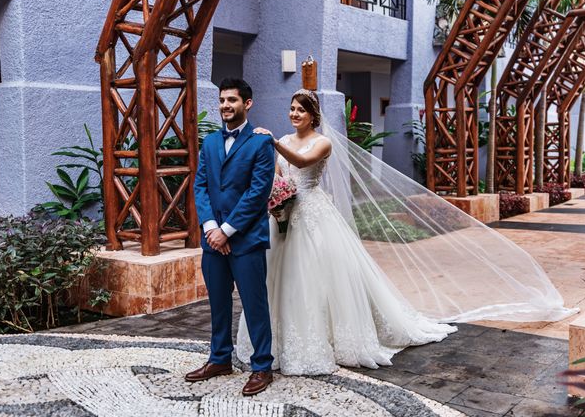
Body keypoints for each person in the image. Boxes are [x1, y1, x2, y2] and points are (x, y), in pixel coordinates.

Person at [236, 89, 457, 375]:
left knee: (314, 277)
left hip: (313, 215)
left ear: (313, 115)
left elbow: (303, 163)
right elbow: (280, 177)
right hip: (284, 215)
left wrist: (273, 142)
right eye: (291, 108)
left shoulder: (322, 143)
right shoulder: (287, 139)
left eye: (300, 110)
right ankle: (273, 342)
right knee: (277, 278)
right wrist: (275, 197)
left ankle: (328, 339)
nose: (294, 114)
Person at [188, 77, 276, 396]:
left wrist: (227, 231)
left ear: (247, 104)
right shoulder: (210, 142)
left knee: (254, 304)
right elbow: (201, 185)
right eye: (223, 100)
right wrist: (211, 227)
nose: (226, 105)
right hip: (213, 240)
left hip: (246, 239)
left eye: (232, 100)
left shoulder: (261, 142)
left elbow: (257, 193)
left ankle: (262, 366)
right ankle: (219, 358)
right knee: (219, 303)